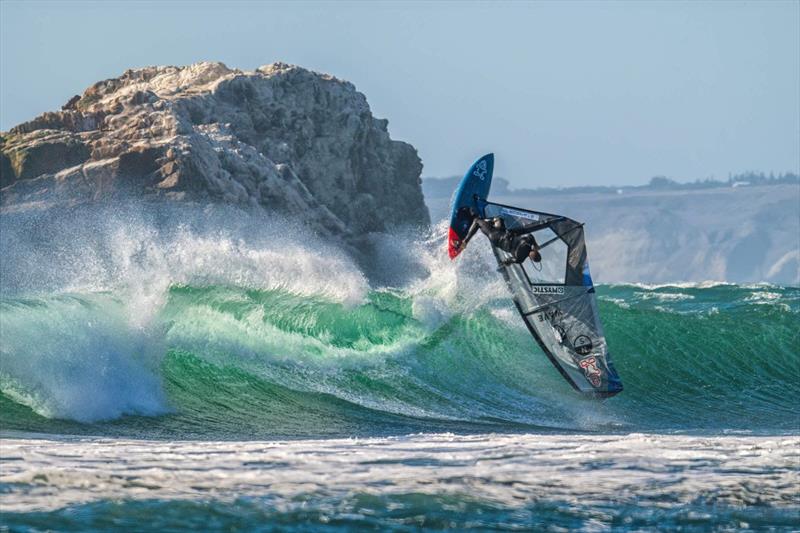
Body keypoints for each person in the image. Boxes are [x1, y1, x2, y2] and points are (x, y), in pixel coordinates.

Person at [458, 209, 542, 265]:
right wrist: (505, 263)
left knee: (477, 222)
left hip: (498, 234)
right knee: (498, 220)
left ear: (535, 250)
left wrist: (535, 244)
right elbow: (506, 262)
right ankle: (483, 219)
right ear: (531, 259)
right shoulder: (520, 260)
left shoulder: (528, 241)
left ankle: (465, 242)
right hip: (497, 240)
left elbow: (530, 236)